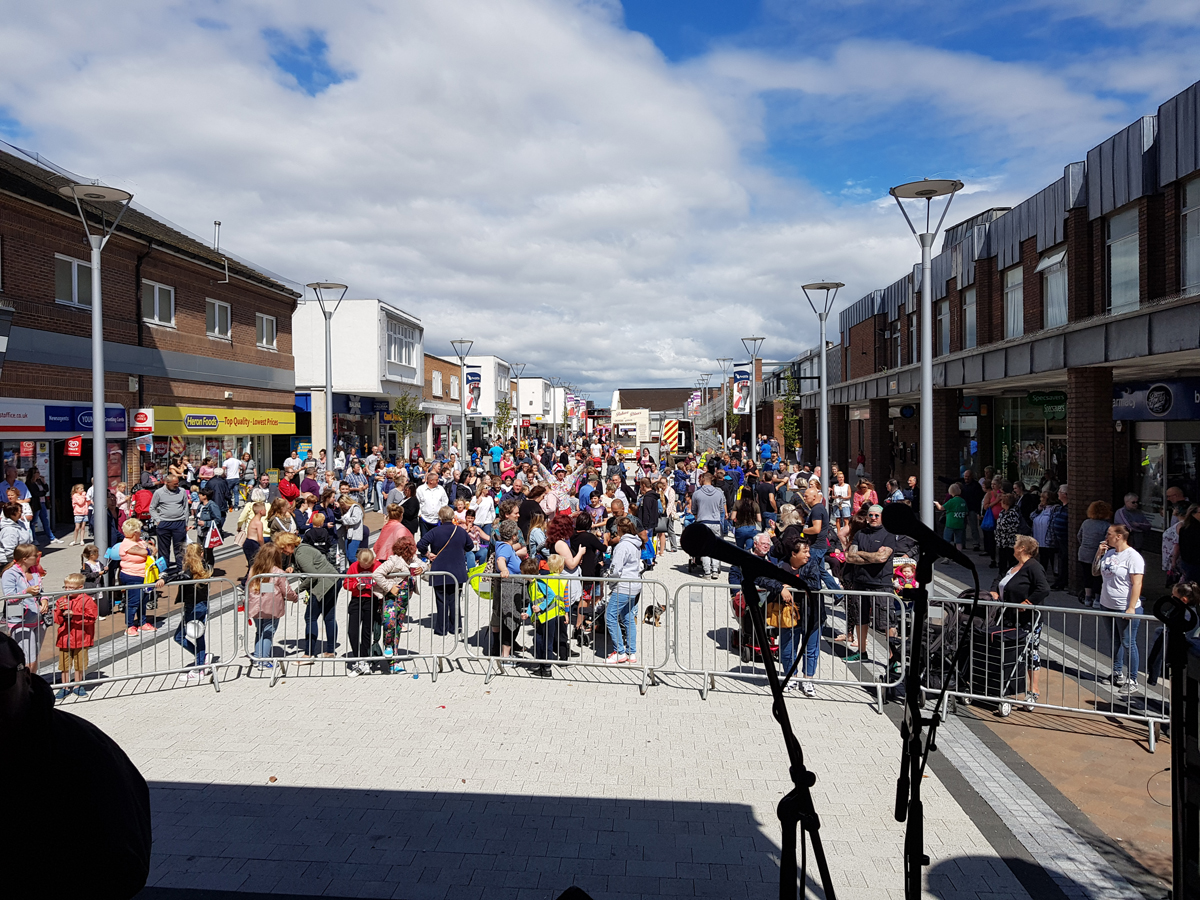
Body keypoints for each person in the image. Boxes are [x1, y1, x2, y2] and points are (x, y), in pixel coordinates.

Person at [761, 528, 824, 697]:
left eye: (808, 551)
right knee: (787, 648)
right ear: (793, 554)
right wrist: (780, 587)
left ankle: (808, 680)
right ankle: (791, 677)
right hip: (788, 615)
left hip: (812, 614)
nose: (808, 555)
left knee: (811, 649)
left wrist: (793, 586)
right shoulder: (781, 566)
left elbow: (815, 585)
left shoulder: (812, 565)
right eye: (805, 552)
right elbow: (764, 579)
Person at [993, 534, 1050, 710]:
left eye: (1015, 544)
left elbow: (1043, 588)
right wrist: (994, 591)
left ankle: (1033, 691)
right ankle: (1006, 688)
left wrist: (1028, 602)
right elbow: (1000, 579)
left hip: (1027, 619)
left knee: (1030, 652)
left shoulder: (1033, 567)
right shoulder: (1014, 567)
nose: (1013, 547)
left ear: (1023, 548)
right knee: (1010, 651)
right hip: (1008, 617)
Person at [1093, 523, 1146, 696]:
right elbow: (1095, 572)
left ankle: (1132, 678)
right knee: (1114, 640)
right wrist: (1099, 553)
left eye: (1109, 534)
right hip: (1107, 603)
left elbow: (1137, 583)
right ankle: (1117, 672)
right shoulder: (1109, 553)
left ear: (1119, 536)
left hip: (1124, 606)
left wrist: (1131, 607)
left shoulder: (1133, 557)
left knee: (1128, 642)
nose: (1106, 536)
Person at [843, 505, 894, 664]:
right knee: (860, 618)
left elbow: (882, 558)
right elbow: (850, 557)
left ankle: (894, 658)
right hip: (860, 582)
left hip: (881, 584)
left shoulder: (889, 535)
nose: (873, 518)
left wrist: (860, 554)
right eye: (870, 515)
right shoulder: (860, 533)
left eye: (876, 515)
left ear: (882, 517)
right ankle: (862, 651)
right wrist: (870, 556)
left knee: (886, 622)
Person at [417, 505, 475, 637]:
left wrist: (428, 554)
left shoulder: (435, 531)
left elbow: (420, 544)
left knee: (441, 600)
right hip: (457, 570)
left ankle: (441, 629)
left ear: (440, 518)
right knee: (455, 599)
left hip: (440, 569)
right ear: (453, 517)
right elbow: (470, 546)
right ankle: (455, 627)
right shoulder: (460, 531)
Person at [373, 534, 424, 673]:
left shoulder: (413, 559)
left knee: (398, 628)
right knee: (389, 623)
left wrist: (422, 569)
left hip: (404, 600)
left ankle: (393, 663)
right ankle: (388, 647)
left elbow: (424, 566)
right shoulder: (394, 561)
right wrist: (389, 587)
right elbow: (377, 574)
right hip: (391, 598)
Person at [245, 542, 298, 667]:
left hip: (255, 606)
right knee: (268, 633)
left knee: (259, 632)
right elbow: (286, 590)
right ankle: (265, 659)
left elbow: (248, 585)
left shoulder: (254, 569)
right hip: (271, 607)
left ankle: (257, 657)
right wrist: (294, 598)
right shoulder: (278, 572)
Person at [171, 543, 216, 684]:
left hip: (194, 606)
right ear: (201, 553)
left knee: (180, 636)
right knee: (198, 636)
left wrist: (166, 578)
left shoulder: (191, 569)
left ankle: (199, 666)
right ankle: (201, 659)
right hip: (201, 605)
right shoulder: (205, 566)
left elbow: (182, 577)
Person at [51, 572, 97, 699]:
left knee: (80, 663)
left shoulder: (87, 600)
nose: (67, 590)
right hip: (64, 637)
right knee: (64, 664)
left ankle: (78, 685)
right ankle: (65, 687)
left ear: (80, 588)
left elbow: (91, 618)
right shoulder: (61, 600)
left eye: (71, 588)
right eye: (65, 587)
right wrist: (60, 611)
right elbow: (57, 620)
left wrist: (74, 614)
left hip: (82, 637)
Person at [605, 516, 643, 665]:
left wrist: (610, 582)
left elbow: (615, 569)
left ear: (618, 529)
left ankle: (620, 651)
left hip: (624, 585)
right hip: (634, 584)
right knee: (627, 617)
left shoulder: (623, 545)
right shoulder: (636, 544)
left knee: (610, 616)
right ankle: (631, 652)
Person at [3, 543, 46, 672]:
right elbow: (9, 597)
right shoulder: (9, 574)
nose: (38, 557)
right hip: (21, 621)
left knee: (35, 656)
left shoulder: (34, 571)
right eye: (35, 555)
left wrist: (44, 600)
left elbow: (41, 591)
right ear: (25, 558)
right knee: (27, 659)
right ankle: (26, 687)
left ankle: (32, 684)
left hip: (38, 620)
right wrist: (26, 591)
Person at [117, 519, 157, 635]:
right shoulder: (126, 544)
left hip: (144, 575)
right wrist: (148, 549)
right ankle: (130, 626)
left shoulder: (139, 541)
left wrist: (148, 549)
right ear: (134, 532)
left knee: (143, 600)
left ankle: (142, 623)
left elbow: (153, 549)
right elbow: (145, 552)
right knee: (133, 602)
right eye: (139, 530)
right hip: (132, 576)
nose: (141, 532)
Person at [149, 474, 190, 575]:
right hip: (164, 524)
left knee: (180, 548)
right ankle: (163, 570)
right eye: (175, 484)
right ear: (166, 483)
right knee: (163, 549)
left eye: (178, 483)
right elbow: (152, 508)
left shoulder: (182, 491)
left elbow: (185, 508)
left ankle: (181, 569)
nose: (177, 485)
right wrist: (158, 520)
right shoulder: (159, 493)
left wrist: (185, 523)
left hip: (179, 522)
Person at [1077, 500, 1114, 607]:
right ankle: (1097, 599)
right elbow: (1107, 540)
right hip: (1097, 554)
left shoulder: (1086, 523)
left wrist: (1085, 544)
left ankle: (1087, 598)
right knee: (1098, 576)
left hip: (1084, 553)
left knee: (1087, 575)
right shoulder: (1106, 525)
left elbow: (1079, 536)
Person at [693, 472, 728, 580]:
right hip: (716, 522)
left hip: (703, 521)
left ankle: (707, 572)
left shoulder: (697, 494)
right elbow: (721, 509)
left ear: (703, 479)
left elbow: (694, 510)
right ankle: (715, 570)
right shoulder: (719, 493)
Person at [416, 470, 449, 538]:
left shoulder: (440, 489)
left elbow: (445, 501)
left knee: (437, 540)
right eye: (436, 480)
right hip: (424, 519)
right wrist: (419, 514)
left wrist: (441, 512)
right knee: (424, 540)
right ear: (431, 481)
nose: (438, 481)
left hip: (437, 519)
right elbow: (417, 502)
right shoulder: (420, 489)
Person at [941, 483, 967, 551]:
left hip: (950, 523)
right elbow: (966, 512)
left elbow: (941, 508)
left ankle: (947, 556)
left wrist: (936, 503)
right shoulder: (963, 501)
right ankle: (959, 556)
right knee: (958, 541)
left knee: (947, 540)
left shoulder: (951, 501)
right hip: (960, 524)